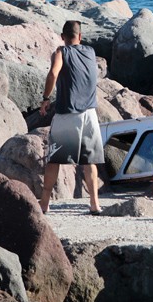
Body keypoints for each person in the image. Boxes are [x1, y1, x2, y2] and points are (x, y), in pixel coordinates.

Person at [39, 21, 104, 215]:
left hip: (68, 113)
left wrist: (45, 98)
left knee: (54, 159)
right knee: (89, 161)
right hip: (90, 115)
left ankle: (44, 203)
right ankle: (94, 204)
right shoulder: (90, 52)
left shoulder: (61, 52)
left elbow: (53, 73)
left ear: (62, 36)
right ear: (80, 36)